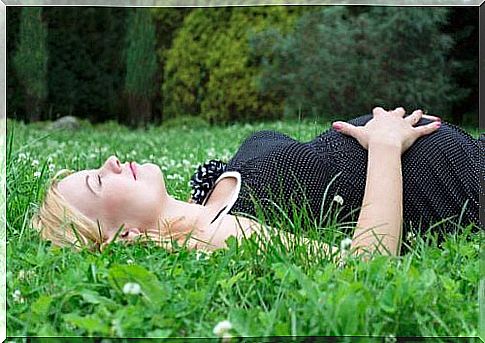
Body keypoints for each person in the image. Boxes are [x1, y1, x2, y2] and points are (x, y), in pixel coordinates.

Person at [30, 107, 480, 257]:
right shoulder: (222, 234)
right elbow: (366, 269)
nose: (109, 161)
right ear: (124, 236)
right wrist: (383, 144)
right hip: (465, 180)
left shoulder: (203, 205)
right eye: (97, 183)